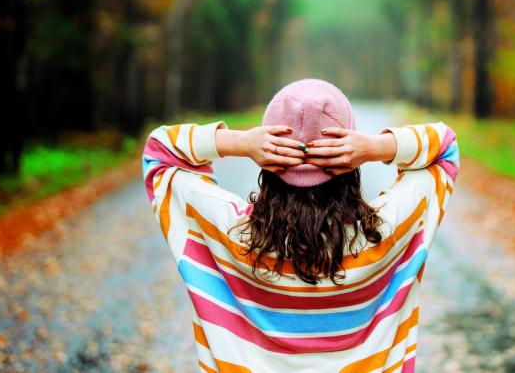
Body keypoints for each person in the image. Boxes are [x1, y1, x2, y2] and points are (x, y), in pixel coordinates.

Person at [141, 78, 459, 372]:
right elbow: (444, 149)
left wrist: (239, 142)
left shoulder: (228, 234)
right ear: (351, 160)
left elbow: (159, 151)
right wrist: (376, 148)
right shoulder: (388, 231)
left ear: (267, 160)